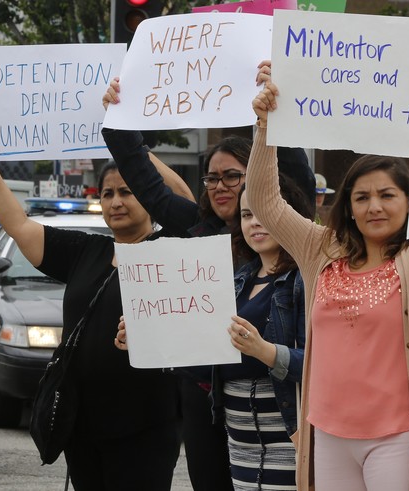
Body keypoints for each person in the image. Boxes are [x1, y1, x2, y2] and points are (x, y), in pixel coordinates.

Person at [246, 65, 409, 490]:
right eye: (361, 197)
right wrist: (264, 126)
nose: (374, 207)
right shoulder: (320, 251)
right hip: (327, 433)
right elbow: (264, 201)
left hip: (397, 438)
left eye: (387, 195)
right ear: (347, 207)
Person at [101, 68, 316, 491]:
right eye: (212, 177)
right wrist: (120, 121)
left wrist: (274, 107)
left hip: (275, 402)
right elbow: (146, 182)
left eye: (233, 176)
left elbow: (294, 176)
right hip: (205, 396)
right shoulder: (195, 226)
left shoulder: (292, 235)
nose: (220, 186)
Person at [0, 128, 184, 490]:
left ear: (149, 196)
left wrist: (135, 149)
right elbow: (18, 225)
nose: (115, 202)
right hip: (83, 424)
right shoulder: (85, 251)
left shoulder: (173, 249)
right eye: (108, 193)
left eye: (127, 191)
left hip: (148, 426)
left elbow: (185, 198)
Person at [115, 173, 312, 491]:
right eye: (247, 214)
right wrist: (146, 337)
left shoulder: (307, 279)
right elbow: (207, 361)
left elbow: (324, 365)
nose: (254, 223)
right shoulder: (235, 280)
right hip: (240, 447)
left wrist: (265, 351)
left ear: (290, 215)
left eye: (265, 212)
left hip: (289, 441)